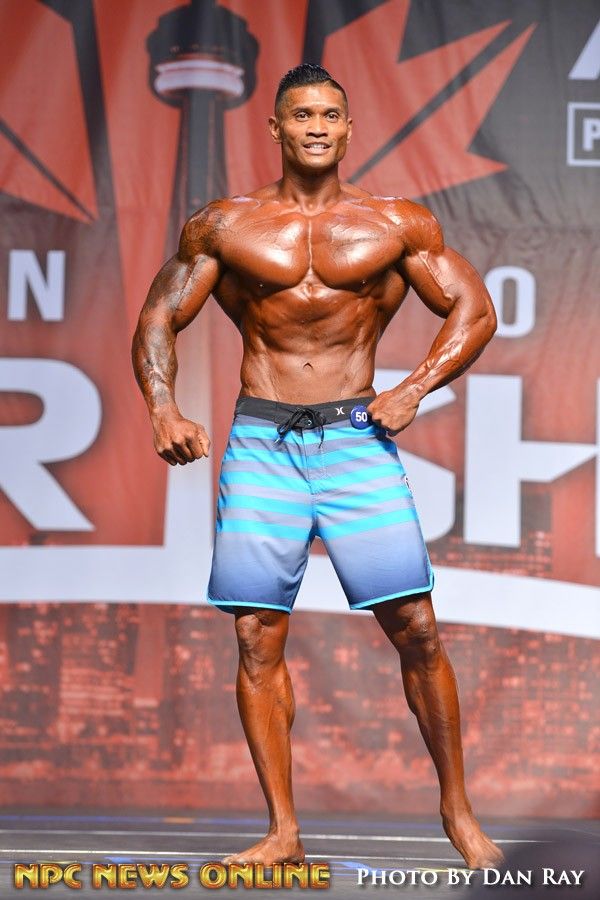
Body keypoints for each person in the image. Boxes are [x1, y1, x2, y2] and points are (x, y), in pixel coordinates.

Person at [132, 63, 503, 870]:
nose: (316, 127)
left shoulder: (394, 223)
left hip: (355, 442)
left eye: (330, 115)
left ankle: (458, 812)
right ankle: (282, 830)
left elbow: (474, 311)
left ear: (347, 128)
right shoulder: (225, 226)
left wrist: (413, 388)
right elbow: (160, 315)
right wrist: (163, 407)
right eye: (301, 115)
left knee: (416, 627)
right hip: (263, 441)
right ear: (275, 127)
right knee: (256, 634)